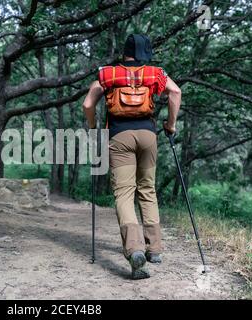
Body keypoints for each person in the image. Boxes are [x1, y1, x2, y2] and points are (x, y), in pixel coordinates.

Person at [82, 34, 182, 279]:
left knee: (124, 193)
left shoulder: (108, 75)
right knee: (147, 189)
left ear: (124, 52)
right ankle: (154, 249)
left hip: (119, 137)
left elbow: (87, 104)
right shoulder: (154, 74)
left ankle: (134, 249)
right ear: (145, 52)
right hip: (148, 136)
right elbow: (175, 92)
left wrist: (94, 127)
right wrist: (170, 125)